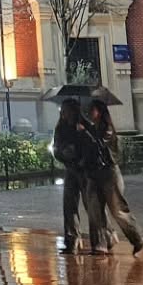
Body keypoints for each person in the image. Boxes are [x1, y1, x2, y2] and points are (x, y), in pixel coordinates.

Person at [87, 97, 143, 254]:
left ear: (100, 111)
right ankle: (100, 244)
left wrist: (86, 129)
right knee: (94, 210)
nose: (90, 112)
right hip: (94, 173)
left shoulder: (107, 129)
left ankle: (137, 237)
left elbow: (99, 143)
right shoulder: (91, 128)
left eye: (93, 109)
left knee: (117, 209)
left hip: (109, 173)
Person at [53, 98, 97, 254]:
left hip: (85, 170)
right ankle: (71, 240)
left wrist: (83, 134)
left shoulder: (84, 126)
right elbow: (56, 148)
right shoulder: (61, 128)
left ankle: (99, 241)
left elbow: (93, 145)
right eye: (62, 111)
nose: (64, 114)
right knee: (69, 205)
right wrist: (64, 153)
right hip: (71, 169)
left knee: (91, 206)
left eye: (66, 110)